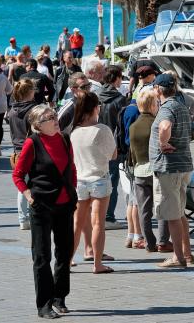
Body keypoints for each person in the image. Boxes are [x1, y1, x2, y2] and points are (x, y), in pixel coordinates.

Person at [12, 105, 77, 319]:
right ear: (37, 125)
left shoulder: (65, 139)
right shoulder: (33, 142)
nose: (55, 119)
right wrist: (29, 196)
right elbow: (18, 175)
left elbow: (72, 168)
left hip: (65, 204)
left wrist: (72, 188)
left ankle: (60, 297)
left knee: (64, 253)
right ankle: (44, 304)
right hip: (42, 205)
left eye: (54, 115)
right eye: (49, 118)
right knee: (42, 256)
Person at [149, 73, 194, 267]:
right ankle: (186, 253)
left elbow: (165, 125)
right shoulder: (181, 105)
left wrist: (162, 142)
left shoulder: (167, 107)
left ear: (158, 89)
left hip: (169, 167)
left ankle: (178, 257)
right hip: (182, 165)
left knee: (172, 215)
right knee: (180, 212)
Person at [70, 91, 117, 274]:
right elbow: (112, 155)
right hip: (99, 178)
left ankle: (68, 260)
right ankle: (97, 264)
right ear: (96, 108)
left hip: (80, 180)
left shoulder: (75, 131)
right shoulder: (102, 129)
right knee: (98, 222)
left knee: (77, 223)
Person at [130, 90, 169, 253]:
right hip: (156, 170)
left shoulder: (133, 126)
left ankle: (149, 242)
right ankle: (162, 242)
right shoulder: (156, 124)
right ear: (153, 105)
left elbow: (132, 152)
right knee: (162, 207)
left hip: (139, 170)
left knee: (144, 210)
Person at [98, 65, 129, 230]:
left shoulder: (97, 96)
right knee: (113, 179)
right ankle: (108, 217)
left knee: (99, 179)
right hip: (113, 145)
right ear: (116, 78)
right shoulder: (119, 99)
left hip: (96, 143)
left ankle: (99, 214)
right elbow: (123, 125)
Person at [8, 79, 39, 230]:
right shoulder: (34, 110)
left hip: (18, 151)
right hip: (33, 150)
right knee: (34, 184)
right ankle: (33, 216)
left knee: (22, 185)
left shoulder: (12, 111)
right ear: (30, 92)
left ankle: (22, 219)